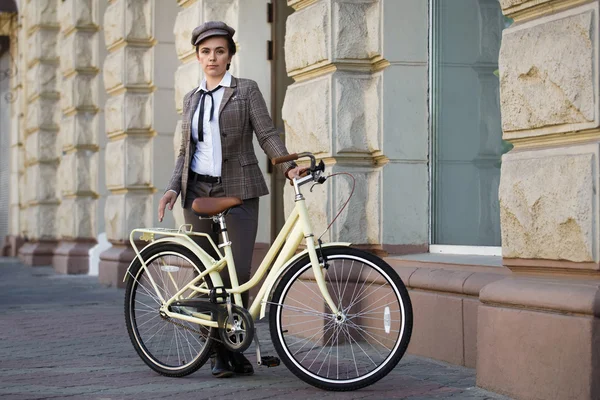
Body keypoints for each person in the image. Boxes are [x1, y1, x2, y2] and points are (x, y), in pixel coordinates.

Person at [157, 21, 303, 378]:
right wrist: (173, 187)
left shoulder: (246, 90)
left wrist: (287, 166)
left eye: (220, 51)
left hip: (238, 190)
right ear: (197, 57)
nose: (212, 58)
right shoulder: (191, 98)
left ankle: (234, 345)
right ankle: (219, 353)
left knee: (238, 274)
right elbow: (184, 151)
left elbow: (267, 134)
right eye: (206, 51)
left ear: (230, 56)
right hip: (198, 193)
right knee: (207, 276)